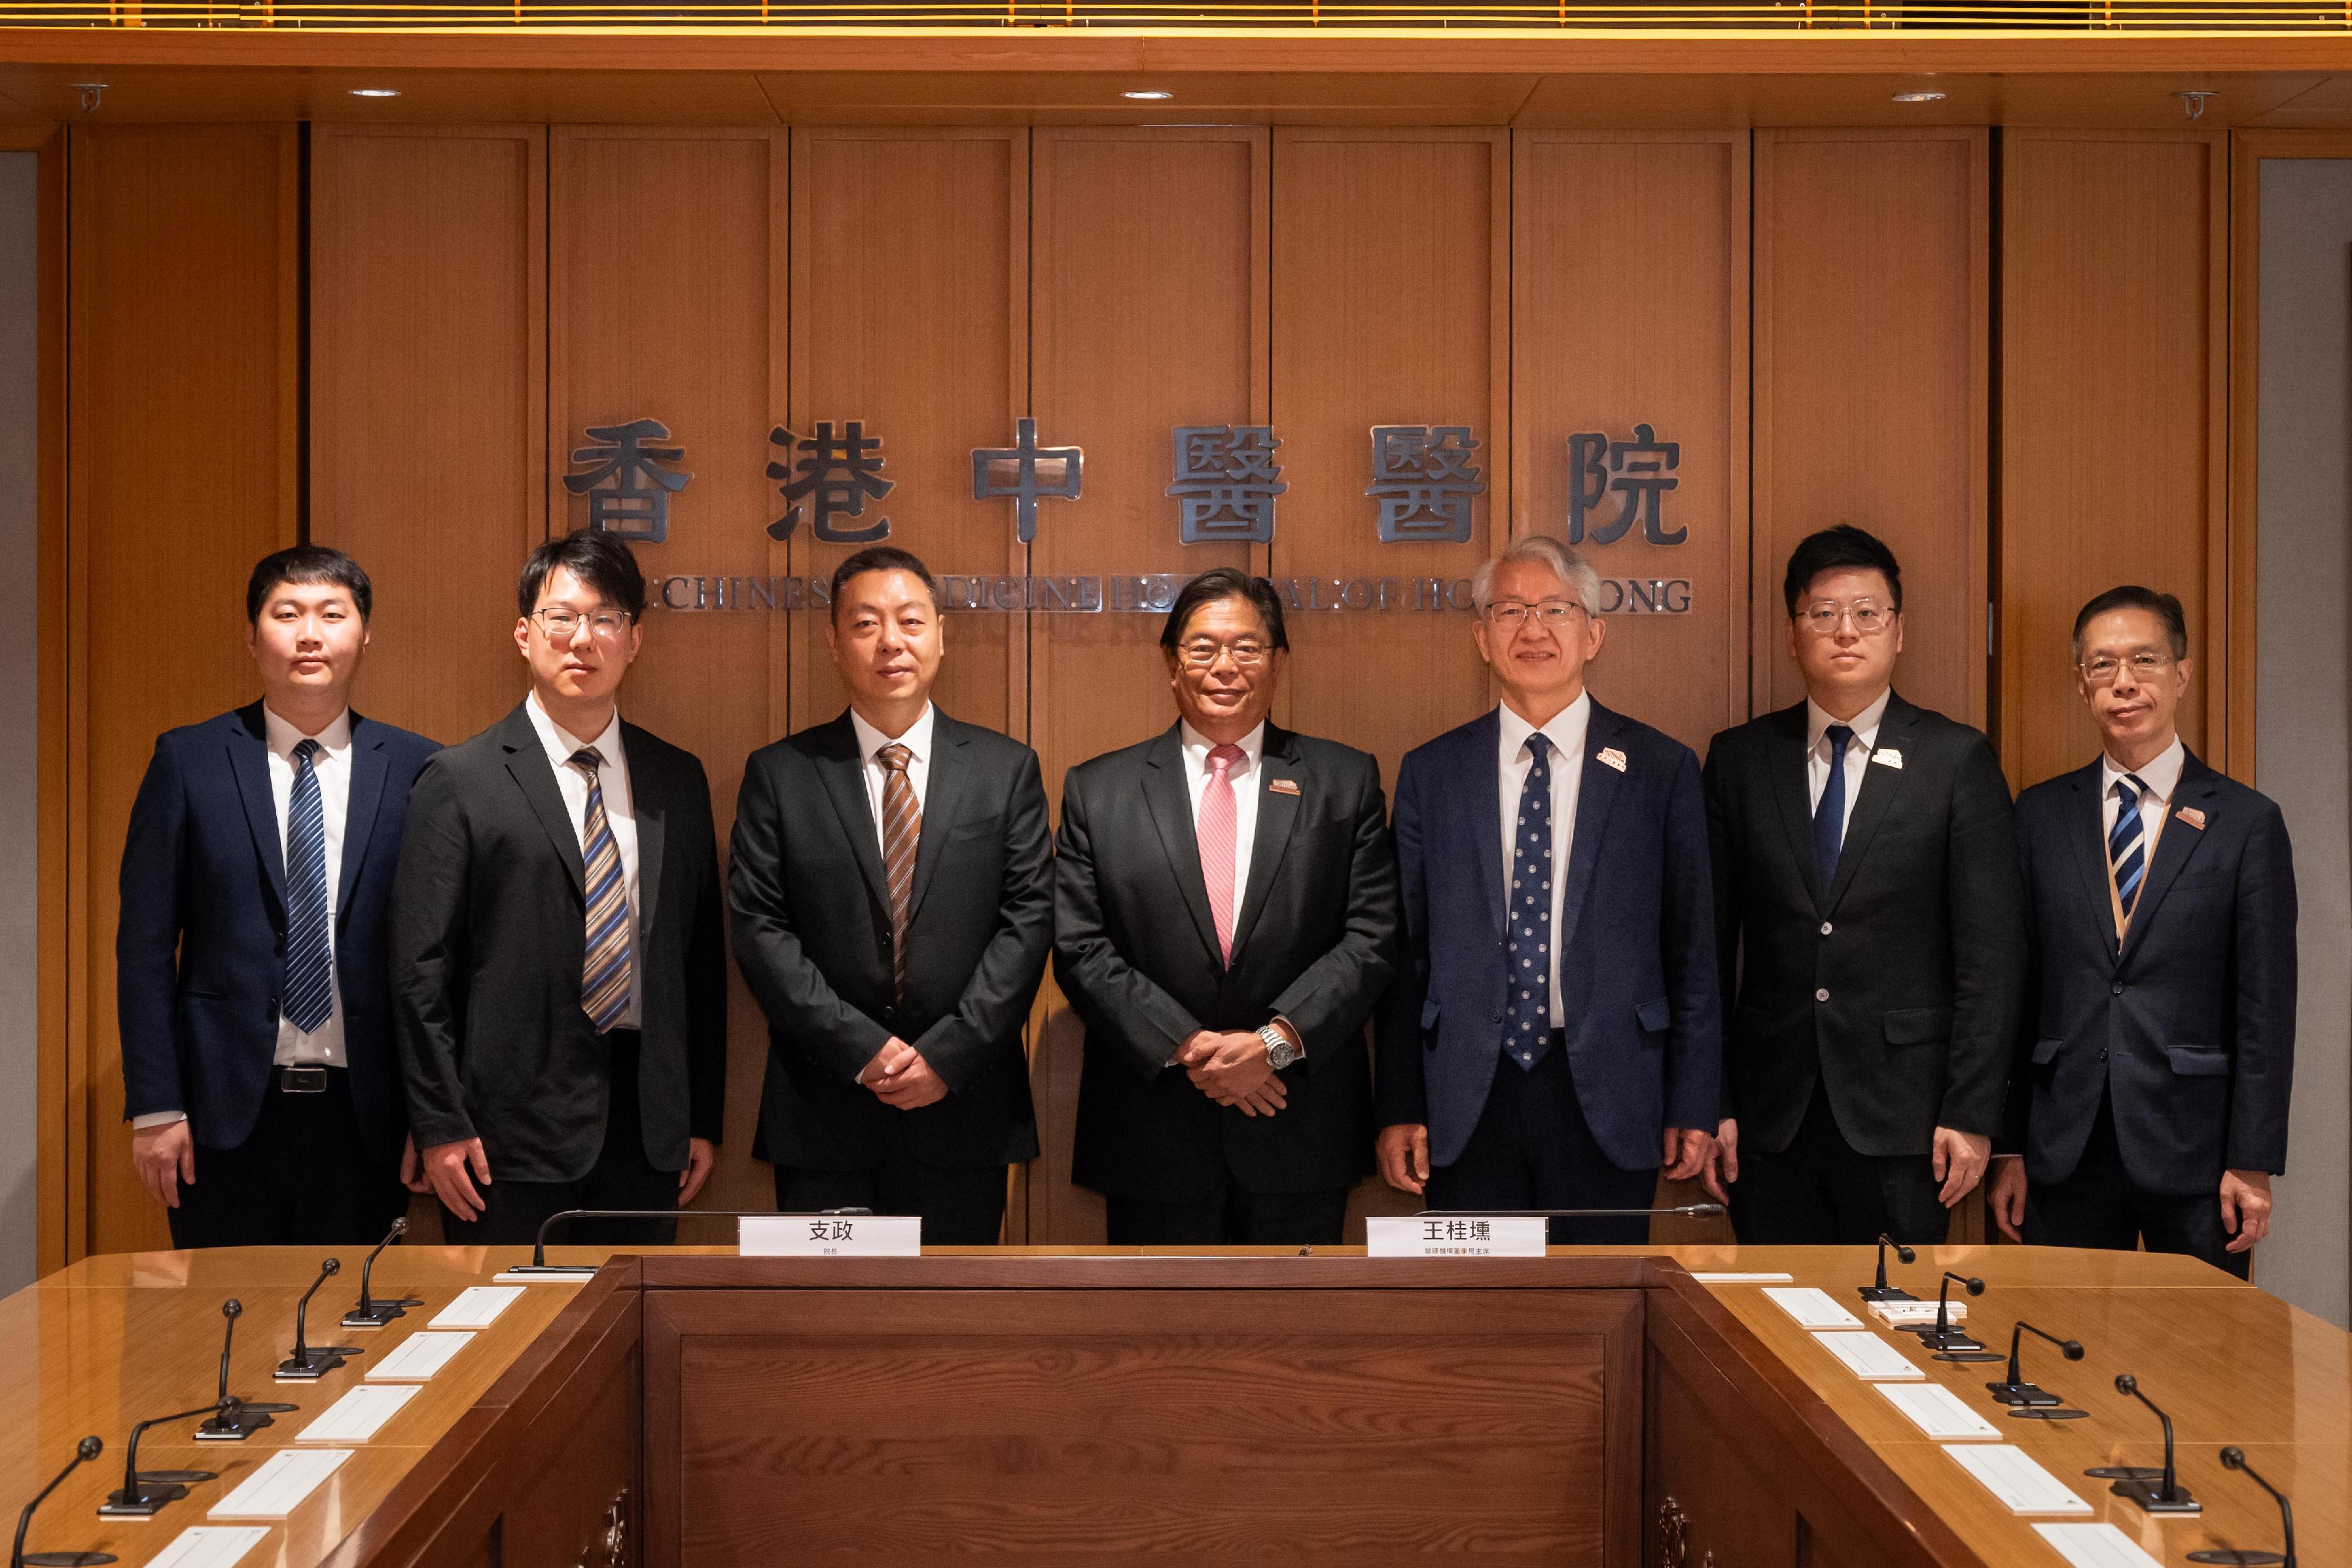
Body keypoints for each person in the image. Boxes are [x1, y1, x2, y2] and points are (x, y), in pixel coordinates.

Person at [1374, 536, 1718, 1243]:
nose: (1532, 629)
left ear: (1593, 634)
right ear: (1482, 637)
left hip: (1613, 1089)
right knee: (1479, 1299)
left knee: (1601, 1295)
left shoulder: (1660, 769)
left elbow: (1693, 953)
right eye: (1510, 611)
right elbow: (1406, 955)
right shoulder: (1432, 773)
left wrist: (1692, 1101)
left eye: (1555, 609)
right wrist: (1400, 1104)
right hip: (1468, 1094)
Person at [393, 530, 725, 1246]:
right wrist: (439, 1122)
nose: (583, 639)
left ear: (634, 640)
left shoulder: (677, 779)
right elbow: (419, 972)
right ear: (525, 634)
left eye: (606, 619)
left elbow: (699, 962)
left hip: (649, 1129)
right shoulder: (460, 780)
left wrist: (701, 1117)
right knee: (512, 1318)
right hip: (502, 1138)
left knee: (634, 1316)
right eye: (562, 617)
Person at [1054, 568, 1400, 1245]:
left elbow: (1372, 937)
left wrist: (1272, 1044)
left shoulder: (1343, 781)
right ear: (1170, 662)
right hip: (1152, 1132)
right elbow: (1079, 946)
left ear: (1277, 661)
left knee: (1296, 1317)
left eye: (1246, 647)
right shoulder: (1099, 790)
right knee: (1157, 1317)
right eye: (1203, 647)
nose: (1224, 666)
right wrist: (1189, 1046)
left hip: (1297, 1126)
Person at [1702, 525, 2025, 1245]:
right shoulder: (1740, 761)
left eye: (1866, 613)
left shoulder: (1955, 760)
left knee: (1897, 1311)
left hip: (1909, 1119)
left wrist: (1972, 1113)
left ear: (1898, 631)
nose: (1845, 631)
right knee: (1772, 1307)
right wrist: (1712, 1100)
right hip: (1769, 1116)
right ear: (1793, 635)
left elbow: (1992, 959)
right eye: (1822, 613)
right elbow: (1709, 952)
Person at [729, 546, 1053, 1244]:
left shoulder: (1005, 770)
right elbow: (760, 928)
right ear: (834, 642)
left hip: (964, 1109)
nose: (890, 642)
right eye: (865, 623)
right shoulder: (781, 774)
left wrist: (946, 1056)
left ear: (941, 634)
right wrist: (860, 1049)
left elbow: (1027, 924)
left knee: (954, 1306)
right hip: (823, 1111)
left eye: (910, 620)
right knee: (825, 1310)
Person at [117, 546, 439, 1246]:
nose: (309, 635)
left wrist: (434, 1115)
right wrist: (156, 1106)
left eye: (332, 614)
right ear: (251, 635)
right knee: (221, 1308)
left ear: (365, 634)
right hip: (221, 1114)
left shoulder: (420, 768)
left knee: (355, 1309)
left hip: (369, 1117)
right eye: (287, 614)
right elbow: (144, 947)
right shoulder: (189, 760)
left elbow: (439, 959)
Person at [1989, 587, 2296, 1277]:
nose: (2123, 682)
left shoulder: (2246, 823)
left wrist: (2252, 1160)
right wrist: (2009, 1145)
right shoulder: (2039, 815)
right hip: (2064, 1143)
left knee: (2201, 1340)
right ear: (2081, 684)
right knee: (2054, 1331)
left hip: (2196, 1147)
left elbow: (2265, 1009)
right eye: (2102, 665)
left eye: (2144, 660)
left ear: (2181, 673)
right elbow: (2017, 988)